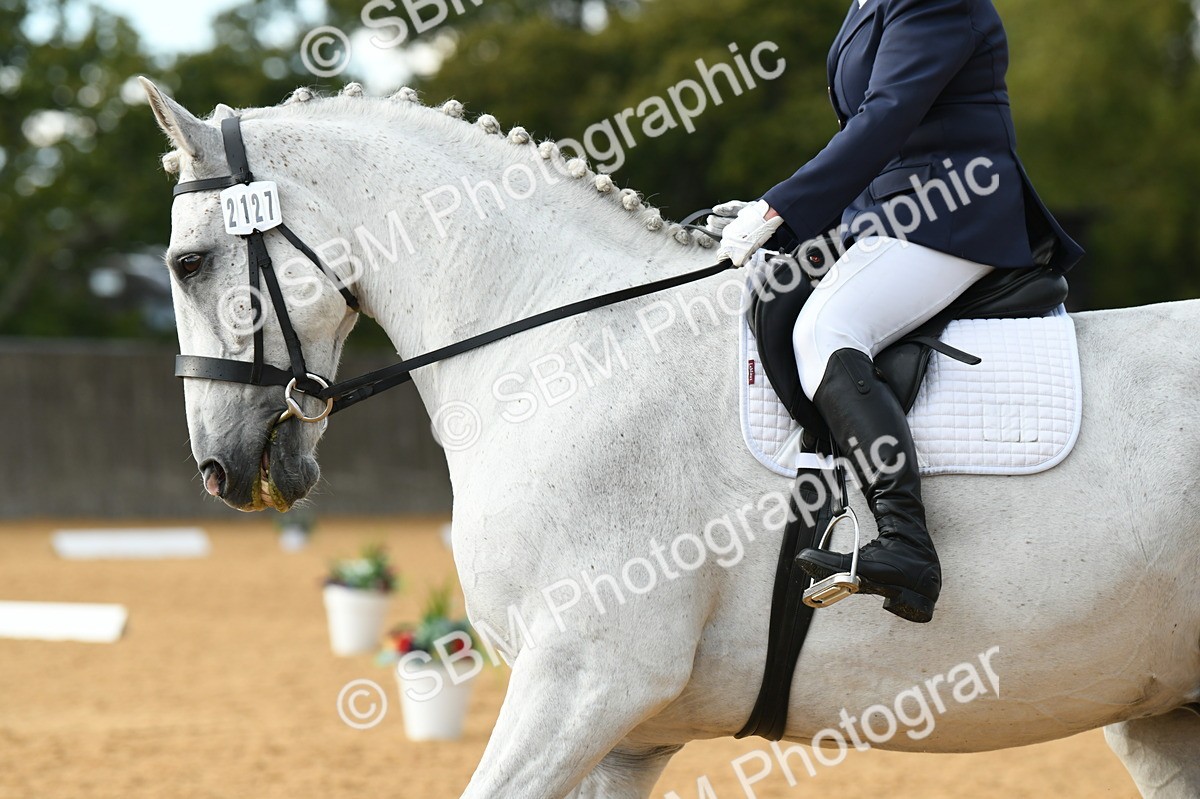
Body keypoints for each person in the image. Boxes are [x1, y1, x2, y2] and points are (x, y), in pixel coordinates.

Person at [717, 0, 1083, 623]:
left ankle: (907, 541)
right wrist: (782, 217)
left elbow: (888, 115)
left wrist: (783, 207)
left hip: (954, 206)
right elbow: (865, 133)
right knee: (777, 297)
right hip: (888, 211)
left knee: (828, 327)